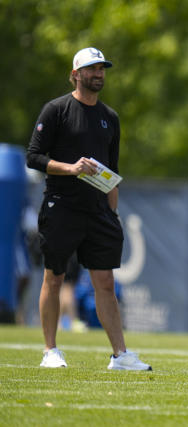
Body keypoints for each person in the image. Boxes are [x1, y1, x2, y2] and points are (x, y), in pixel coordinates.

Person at [26, 47, 150, 370]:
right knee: (54, 276)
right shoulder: (56, 111)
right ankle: (50, 351)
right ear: (75, 74)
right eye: (92, 69)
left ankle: (120, 356)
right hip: (61, 205)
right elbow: (34, 157)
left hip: (98, 211)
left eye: (102, 69)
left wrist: (113, 213)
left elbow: (113, 173)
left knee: (105, 282)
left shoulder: (110, 118)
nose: (98, 74)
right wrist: (71, 168)